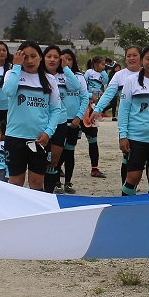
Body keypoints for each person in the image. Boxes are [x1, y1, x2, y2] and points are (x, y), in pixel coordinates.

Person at [3, 40, 62, 190]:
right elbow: (9, 91)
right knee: (15, 182)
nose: (29, 61)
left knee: (36, 183)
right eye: (25, 57)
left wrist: (48, 132)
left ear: (40, 57)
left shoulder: (49, 80)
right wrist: (16, 66)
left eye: (33, 56)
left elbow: (56, 109)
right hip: (15, 136)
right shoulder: (12, 74)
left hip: (39, 139)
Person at [118, 45, 149, 195]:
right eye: (148, 59)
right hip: (136, 138)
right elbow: (124, 110)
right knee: (133, 177)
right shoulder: (132, 81)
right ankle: (125, 208)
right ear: (142, 61)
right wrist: (123, 136)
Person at [93, 46, 142, 182]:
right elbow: (109, 93)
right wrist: (97, 109)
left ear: (141, 57)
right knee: (127, 156)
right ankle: (126, 189)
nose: (131, 58)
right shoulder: (120, 75)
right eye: (128, 56)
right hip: (127, 122)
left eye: (135, 55)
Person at [42, 45, 83, 193]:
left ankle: (50, 190)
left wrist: (66, 68)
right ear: (43, 58)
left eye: (55, 57)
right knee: (41, 160)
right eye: (49, 56)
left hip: (60, 123)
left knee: (54, 161)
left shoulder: (64, 76)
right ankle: (40, 190)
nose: (52, 60)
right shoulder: (39, 75)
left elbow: (76, 87)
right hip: (43, 123)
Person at [58, 49, 88, 193]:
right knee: (57, 153)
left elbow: (84, 98)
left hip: (73, 121)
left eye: (69, 59)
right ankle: (56, 181)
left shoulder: (79, 77)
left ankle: (68, 182)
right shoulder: (55, 76)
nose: (67, 62)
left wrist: (78, 117)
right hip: (58, 121)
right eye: (63, 59)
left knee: (69, 153)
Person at [82, 56, 109, 178]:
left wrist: (103, 72)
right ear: (95, 64)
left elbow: (106, 82)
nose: (104, 67)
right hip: (83, 106)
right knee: (70, 141)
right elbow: (82, 86)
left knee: (93, 138)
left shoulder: (102, 74)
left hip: (93, 105)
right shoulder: (88, 73)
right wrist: (89, 95)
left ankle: (94, 168)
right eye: (102, 64)